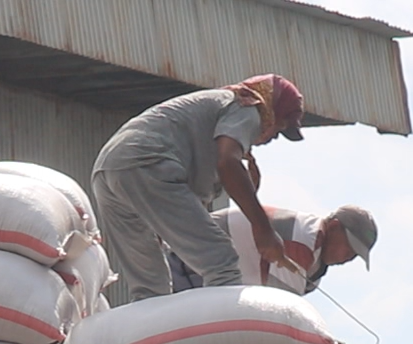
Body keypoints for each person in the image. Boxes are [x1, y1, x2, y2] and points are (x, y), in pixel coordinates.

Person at [90, 74, 307, 303]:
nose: (274, 137)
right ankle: (226, 333)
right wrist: (263, 229)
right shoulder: (247, 107)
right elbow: (228, 163)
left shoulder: (213, 113)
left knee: (150, 287)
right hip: (148, 162)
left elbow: (197, 193)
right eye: (280, 127)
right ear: (271, 111)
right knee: (221, 262)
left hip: (109, 169)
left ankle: (156, 334)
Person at [169, 203, 379, 344]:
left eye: (355, 255)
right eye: (349, 247)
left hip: (215, 287)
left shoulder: (315, 267)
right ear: (333, 227)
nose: (349, 257)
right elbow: (286, 320)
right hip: (185, 268)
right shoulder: (300, 241)